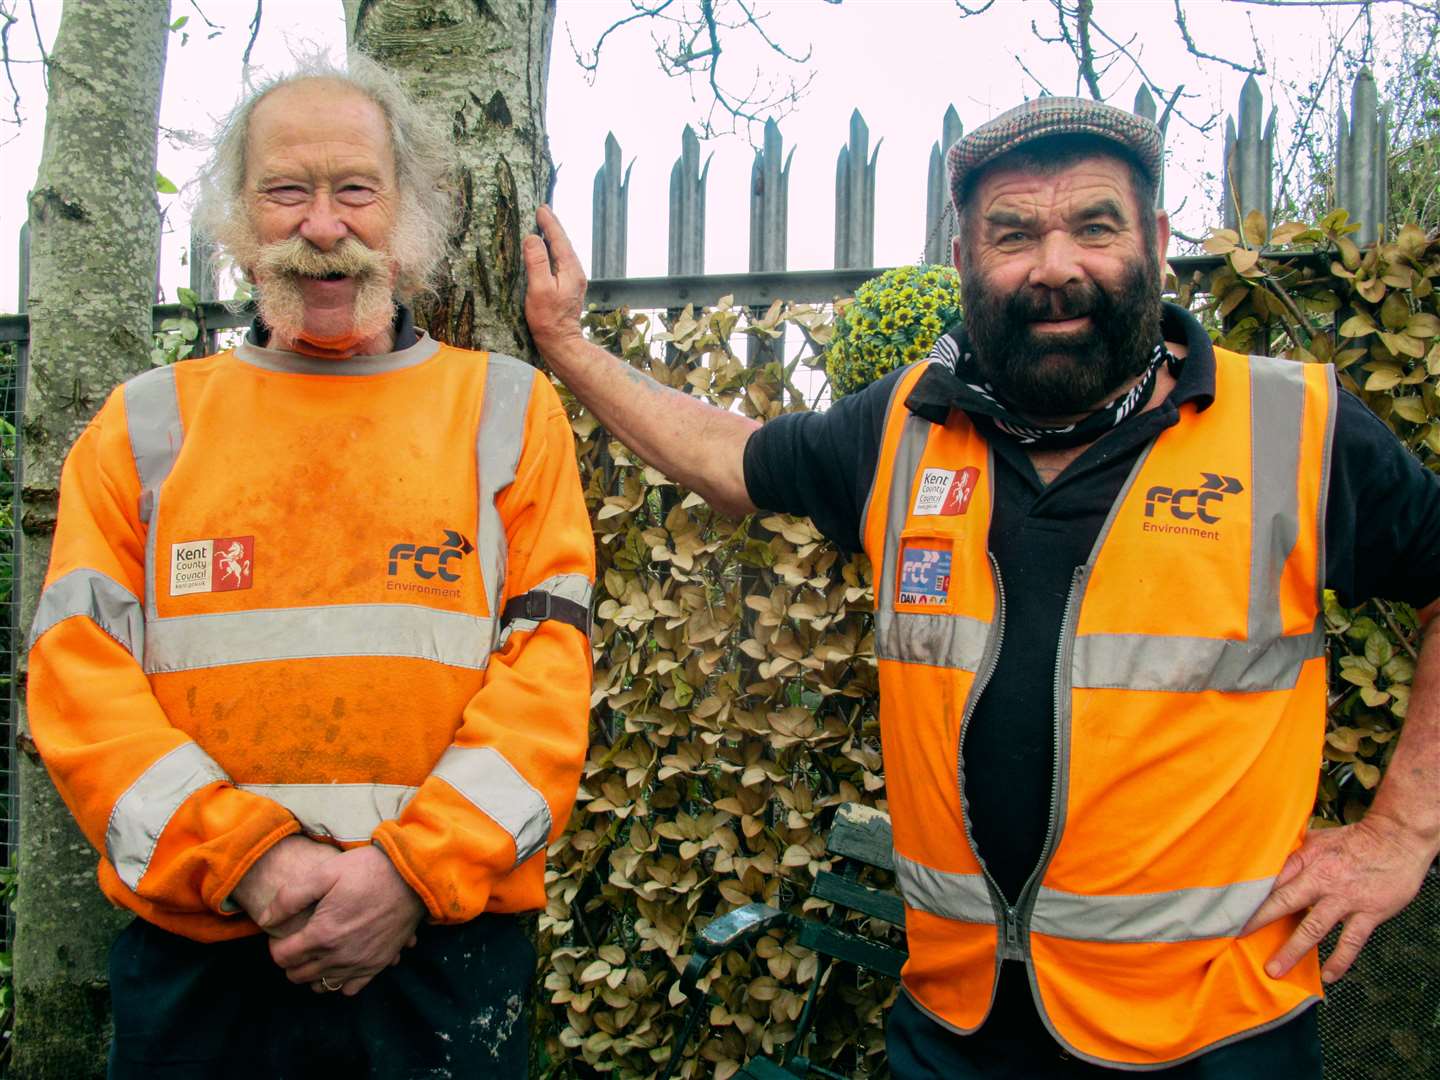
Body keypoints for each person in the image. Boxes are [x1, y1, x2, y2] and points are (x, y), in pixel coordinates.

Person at [523, 97, 1440, 1077]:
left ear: (1158, 243)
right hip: (955, 1033)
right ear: (964, 258)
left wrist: (1403, 830)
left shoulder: (1292, 428)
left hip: (1216, 1039)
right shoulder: (905, 431)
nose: (1056, 267)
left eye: (1096, 225)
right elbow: (729, 460)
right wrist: (569, 344)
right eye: (1013, 234)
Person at [27, 56, 594, 1078]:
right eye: (287, 190)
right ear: (237, 221)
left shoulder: (508, 415)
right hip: (203, 963)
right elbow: (78, 685)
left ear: (407, 211)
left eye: (354, 190)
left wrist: (411, 874)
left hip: (440, 962)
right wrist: (248, 859)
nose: (322, 225)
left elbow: (548, 681)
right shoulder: (143, 428)